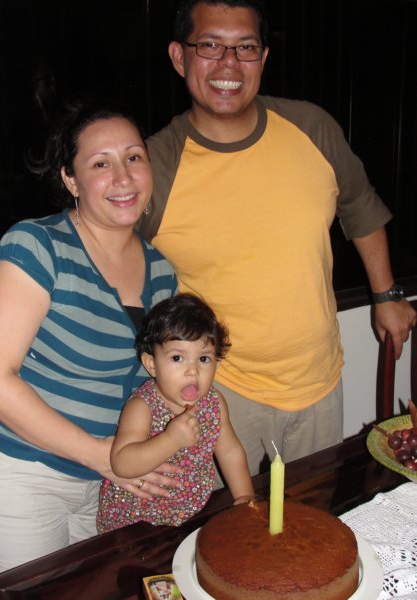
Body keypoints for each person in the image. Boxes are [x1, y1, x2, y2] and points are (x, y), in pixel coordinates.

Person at [138, 0, 417, 476]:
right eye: (210, 45)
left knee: (313, 509)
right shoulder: (154, 165)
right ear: (179, 57)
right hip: (217, 391)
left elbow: (360, 206)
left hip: (318, 379)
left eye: (245, 47)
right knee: (229, 518)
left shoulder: (311, 127)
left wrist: (386, 294)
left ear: (263, 58)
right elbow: (111, 267)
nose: (229, 64)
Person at [0, 99, 178, 584]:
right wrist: (99, 454)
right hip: (20, 473)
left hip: (105, 482)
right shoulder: (37, 245)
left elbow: (157, 383)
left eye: (133, 157)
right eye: (100, 164)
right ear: (70, 179)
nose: (123, 177)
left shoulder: (164, 273)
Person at [97, 293, 254, 532]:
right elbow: (122, 463)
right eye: (177, 358)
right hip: (136, 520)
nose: (192, 371)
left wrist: (244, 497)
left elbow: (230, 451)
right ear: (151, 364)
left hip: (191, 512)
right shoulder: (142, 407)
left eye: (204, 359)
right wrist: (171, 440)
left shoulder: (214, 403)